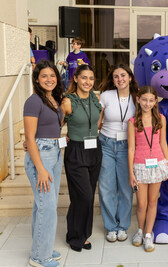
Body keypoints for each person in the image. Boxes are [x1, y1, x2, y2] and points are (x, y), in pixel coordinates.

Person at [24, 60, 64, 267]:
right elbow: (30, 138)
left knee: (45, 204)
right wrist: (40, 168)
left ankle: (43, 247)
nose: (49, 79)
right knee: (46, 206)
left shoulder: (53, 99)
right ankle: (39, 257)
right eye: (44, 76)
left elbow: (53, 126)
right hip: (42, 156)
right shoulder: (33, 101)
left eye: (52, 75)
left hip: (55, 152)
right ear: (37, 80)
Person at [61, 64, 102, 252]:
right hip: (76, 151)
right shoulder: (68, 101)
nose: (88, 82)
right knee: (83, 196)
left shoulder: (96, 98)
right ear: (75, 79)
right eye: (84, 78)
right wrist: (63, 138)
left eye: (91, 78)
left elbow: (98, 122)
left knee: (87, 196)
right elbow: (56, 125)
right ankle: (76, 237)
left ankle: (80, 234)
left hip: (94, 149)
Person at [128, 85, 168, 252]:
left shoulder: (161, 119)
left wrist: (166, 163)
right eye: (144, 100)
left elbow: (163, 143)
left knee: (153, 202)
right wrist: (131, 172)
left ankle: (148, 234)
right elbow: (131, 148)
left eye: (151, 100)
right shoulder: (132, 122)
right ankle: (139, 230)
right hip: (140, 166)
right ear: (138, 100)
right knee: (141, 203)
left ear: (155, 102)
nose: (147, 103)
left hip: (157, 164)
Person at [98, 64, 138, 242]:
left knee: (126, 188)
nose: (120, 79)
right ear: (112, 80)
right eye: (116, 76)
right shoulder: (106, 96)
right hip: (106, 143)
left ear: (130, 77)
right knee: (106, 187)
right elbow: (97, 121)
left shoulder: (137, 98)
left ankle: (123, 226)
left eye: (123, 75)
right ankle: (110, 227)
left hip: (127, 146)